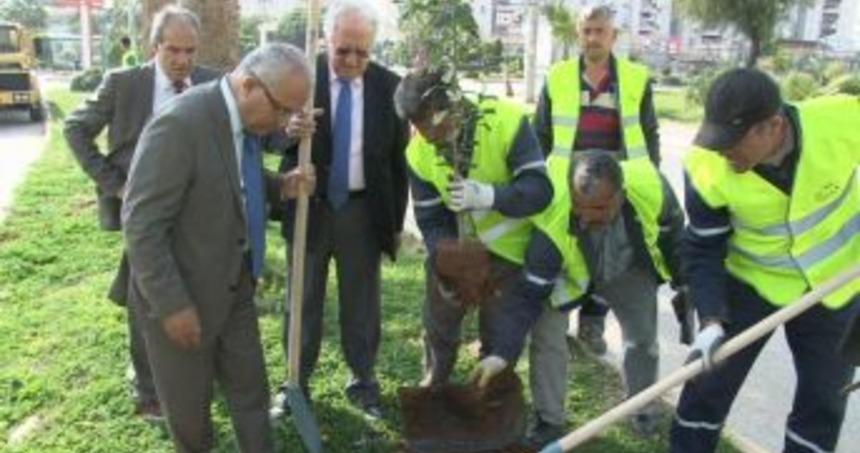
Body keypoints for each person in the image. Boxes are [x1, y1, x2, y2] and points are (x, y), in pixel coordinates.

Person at [122, 42, 315, 453]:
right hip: (184, 295)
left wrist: (279, 185)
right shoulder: (180, 124)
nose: (286, 123)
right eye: (283, 110)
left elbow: (230, 179)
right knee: (190, 407)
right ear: (249, 85)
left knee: (251, 388)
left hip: (235, 283)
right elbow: (142, 224)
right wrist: (172, 305)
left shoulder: (240, 121)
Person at [663, 68, 860, 453]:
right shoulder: (705, 163)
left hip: (836, 289)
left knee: (822, 405)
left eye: (732, 142)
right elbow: (702, 245)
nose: (723, 152)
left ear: (773, 125)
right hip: (749, 285)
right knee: (705, 386)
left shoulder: (843, 120)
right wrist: (711, 320)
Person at [63, 4, 218, 422]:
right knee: (144, 296)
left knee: (191, 290)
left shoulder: (209, 83)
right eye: (174, 51)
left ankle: (190, 370)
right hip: (144, 214)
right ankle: (148, 387)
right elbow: (74, 128)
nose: (184, 61)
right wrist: (117, 185)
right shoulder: (124, 84)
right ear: (154, 47)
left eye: (191, 51)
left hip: (196, 212)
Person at [270, 0, 409, 420]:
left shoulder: (389, 87)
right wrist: (288, 131)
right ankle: (295, 382)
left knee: (361, 303)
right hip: (310, 205)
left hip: (363, 212)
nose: (351, 60)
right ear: (327, 39)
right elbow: (265, 129)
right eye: (343, 49)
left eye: (361, 52)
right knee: (302, 298)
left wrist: (395, 223)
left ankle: (363, 381)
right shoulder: (300, 77)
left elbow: (396, 163)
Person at [508, 152, 686, 446]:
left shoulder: (651, 186)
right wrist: (503, 353)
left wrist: (685, 284)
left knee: (642, 338)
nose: (588, 217)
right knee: (546, 336)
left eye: (601, 208)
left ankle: (642, 409)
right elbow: (531, 293)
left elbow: (674, 235)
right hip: (567, 272)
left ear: (621, 194)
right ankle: (549, 420)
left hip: (626, 267)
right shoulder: (552, 217)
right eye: (580, 208)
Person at [394, 67, 553, 389]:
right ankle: (435, 381)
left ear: (450, 107)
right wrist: (447, 254)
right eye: (415, 127)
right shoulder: (418, 153)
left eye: (428, 126)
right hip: (458, 253)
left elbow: (540, 191)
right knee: (439, 321)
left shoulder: (506, 122)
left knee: (499, 332)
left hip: (509, 254)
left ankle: (487, 397)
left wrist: (487, 195)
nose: (425, 136)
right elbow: (430, 217)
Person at [533, 4, 661, 355]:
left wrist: (651, 179)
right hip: (569, 183)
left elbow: (649, 134)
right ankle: (560, 323)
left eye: (600, 31)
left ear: (613, 36)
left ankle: (593, 322)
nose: (593, 38)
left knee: (610, 253)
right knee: (571, 250)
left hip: (617, 182)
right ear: (579, 34)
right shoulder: (558, 76)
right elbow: (540, 133)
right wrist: (536, 181)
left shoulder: (634, 79)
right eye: (587, 31)